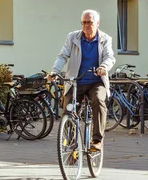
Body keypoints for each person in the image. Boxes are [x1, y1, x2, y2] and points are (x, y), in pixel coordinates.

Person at [47, 9, 116, 151]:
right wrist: (55, 71)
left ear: (97, 23)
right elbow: (63, 56)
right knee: (68, 110)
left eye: (89, 22)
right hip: (75, 81)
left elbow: (110, 57)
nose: (86, 26)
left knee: (98, 99)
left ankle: (97, 140)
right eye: (83, 23)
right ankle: (72, 146)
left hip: (96, 81)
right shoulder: (73, 38)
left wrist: (104, 66)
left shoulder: (105, 39)